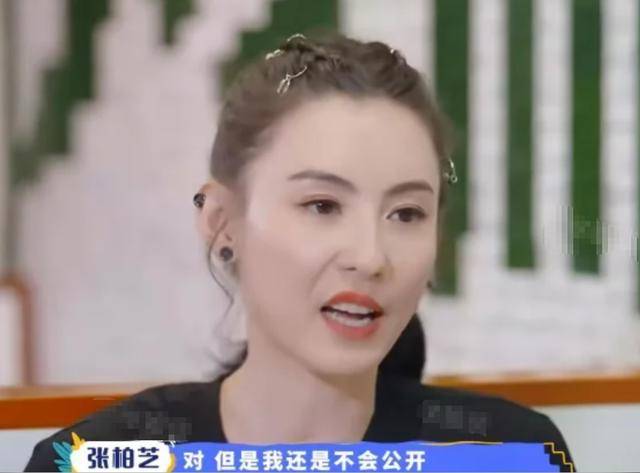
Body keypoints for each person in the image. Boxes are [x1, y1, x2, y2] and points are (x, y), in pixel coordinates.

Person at [24, 32, 575, 471]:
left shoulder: (512, 455)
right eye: (322, 205)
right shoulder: (92, 461)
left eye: (406, 214)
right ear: (222, 222)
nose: (370, 257)